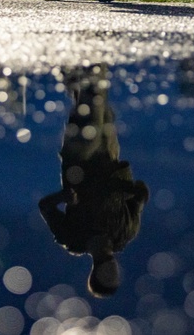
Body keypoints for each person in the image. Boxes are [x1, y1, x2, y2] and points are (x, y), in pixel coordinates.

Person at [39, 65, 149, 297]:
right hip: (110, 157)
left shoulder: (72, 239)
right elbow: (141, 194)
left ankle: (89, 55)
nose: (111, 273)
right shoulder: (126, 232)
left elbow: (45, 206)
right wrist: (123, 189)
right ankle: (76, 73)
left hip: (80, 160)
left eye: (104, 278)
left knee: (93, 102)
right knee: (98, 101)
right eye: (114, 278)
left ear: (93, 274)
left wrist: (64, 197)